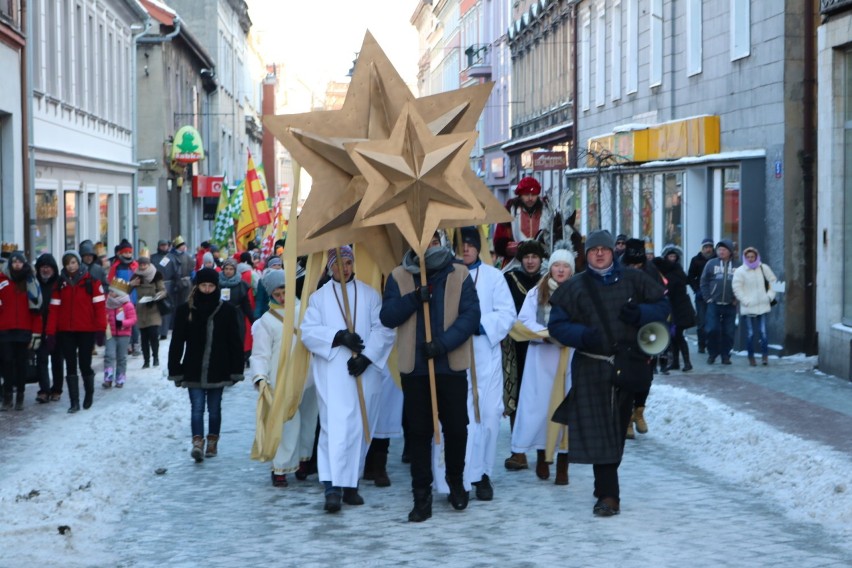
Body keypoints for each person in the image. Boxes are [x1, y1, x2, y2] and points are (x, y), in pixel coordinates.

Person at [548, 230, 669, 517]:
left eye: (604, 249)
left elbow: (663, 306)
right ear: (586, 254)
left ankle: (605, 482)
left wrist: (641, 314)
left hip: (627, 364)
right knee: (600, 427)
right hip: (591, 365)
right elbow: (557, 325)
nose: (599, 254)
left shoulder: (634, 279)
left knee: (616, 428)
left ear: (613, 252)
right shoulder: (574, 287)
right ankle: (608, 494)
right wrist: (580, 335)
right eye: (593, 250)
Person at [380, 233, 481, 522]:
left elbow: (471, 315)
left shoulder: (459, 272)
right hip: (416, 367)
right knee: (420, 432)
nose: (429, 246)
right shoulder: (399, 275)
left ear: (442, 242)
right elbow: (387, 316)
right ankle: (421, 496)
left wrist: (443, 343)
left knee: (457, 428)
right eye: (423, 241)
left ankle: (456, 483)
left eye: (434, 240)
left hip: (449, 364)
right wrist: (414, 298)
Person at [300, 246, 395, 513]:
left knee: (360, 426)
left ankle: (351, 483)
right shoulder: (319, 298)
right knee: (334, 426)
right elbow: (308, 332)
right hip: (333, 373)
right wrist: (338, 336)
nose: (344, 268)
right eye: (339, 263)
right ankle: (331, 486)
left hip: (364, 372)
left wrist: (367, 357)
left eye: (348, 263)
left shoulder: (369, 294)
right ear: (330, 267)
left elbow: (384, 330)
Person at [436, 227, 514, 501]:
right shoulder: (446, 276)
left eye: (471, 244)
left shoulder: (493, 277)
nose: (466, 249)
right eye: (461, 245)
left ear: (479, 247)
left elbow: (507, 314)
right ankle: (456, 478)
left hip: (485, 358)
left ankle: (482, 474)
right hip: (455, 358)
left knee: (489, 418)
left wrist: (479, 325)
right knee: (458, 421)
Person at [511, 247, 575, 485]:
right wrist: (545, 335)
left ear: (571, 270)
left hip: (567, 357)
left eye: (565, 266)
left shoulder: (578, 291)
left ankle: (562, 464)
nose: (560, 269)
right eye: (557, 265)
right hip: (541, 359)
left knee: (564, 409)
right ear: (550, 268)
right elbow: (523, 321)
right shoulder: (537, 292)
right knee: (539, 409)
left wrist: (568, 335)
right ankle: (541, 456)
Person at [249, 268, 318, 487]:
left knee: (309, 417)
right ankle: (281, 466)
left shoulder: (307, 311)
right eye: (277, 293)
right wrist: (260, 376)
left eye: (285, 291)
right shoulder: (266, 322)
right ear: (271, 294)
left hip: (309, 373)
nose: (282, 297)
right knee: (287, 420)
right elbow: (260, 353)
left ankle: (304, 459)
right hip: (281, 376)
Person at [167, 267, 245, 462]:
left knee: (214, 407)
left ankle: (212, 440)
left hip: (218, 367)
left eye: (211, 285)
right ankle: (197, 443)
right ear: (197, 286)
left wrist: (236, 369)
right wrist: (175, 369)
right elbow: (177, 341)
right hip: (193, 367)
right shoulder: (186, 310)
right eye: (204, 285)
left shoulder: (226, 310)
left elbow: (235, 341)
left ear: (216, 286)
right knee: (197, 408)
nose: (207, 289)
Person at [502, 239, 546, 471]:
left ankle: (543, 452)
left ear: (541, 259)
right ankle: (517, 452)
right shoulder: (509, 280)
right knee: (518, 395)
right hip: (516, 344)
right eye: (526, 257)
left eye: (534, 257)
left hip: (543, 345)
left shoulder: (550, 280)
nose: (530, 261)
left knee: (541, 396)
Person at [620, 238, 667, 439]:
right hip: (623, 333)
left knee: (645, 376)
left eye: (638, 265)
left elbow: (662, 303)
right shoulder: (616, 271)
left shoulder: (652, 273)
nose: (634, 268)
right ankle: (627, 418)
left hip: (647, 331)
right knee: (626, 377)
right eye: (631, 264)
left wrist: (641, 312)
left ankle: (639, 411)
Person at [53, 251, 107, 413]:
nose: (71, 266)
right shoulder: (59, 283)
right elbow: (54, 309)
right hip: (66, 331)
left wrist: (100, 329)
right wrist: (50, 332)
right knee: (70, 365)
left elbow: (99, 308)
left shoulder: (92, 282)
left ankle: (89, 393)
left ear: (79, 263)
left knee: (85, 364)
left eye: (74, 262)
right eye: (68, 263)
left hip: (86, 330)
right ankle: (74, 402)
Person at [0, 251, 42, 410]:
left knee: (21, 364)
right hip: (5, 329)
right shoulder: (1, 280)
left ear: (24, 264)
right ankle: (7, 397)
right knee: (6, 364)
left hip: (24, 329)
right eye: (14, 262)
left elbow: (37, 310)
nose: (17, 265)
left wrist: (36, 332)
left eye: (20, 262)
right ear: (10, 263)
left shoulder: (31, 281)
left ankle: (20, 397)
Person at [493, 176, 560, 263]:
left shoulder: (547, 211)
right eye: (526, 195)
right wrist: (518, 248)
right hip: (516, 261)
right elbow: (500, 241)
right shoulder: (510, 211)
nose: (530, 198)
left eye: (533, 195)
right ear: (520, 195)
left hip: (543, 261)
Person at [654, 245, 696, 372]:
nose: (672, 258)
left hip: (680, 307)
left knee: (678, 335)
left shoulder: (676, 272)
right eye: (670, 256)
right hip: (672, 308)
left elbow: (673, 288)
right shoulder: (665, 272)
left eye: (674, 256)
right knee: (673, 336)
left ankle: (687, 362)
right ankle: (676, 362)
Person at [732, 247, 777, 366]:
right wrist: (745, 301)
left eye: (753, 257)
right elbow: (737, 288)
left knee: (763, 332)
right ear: (745, 258)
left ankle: (765, 356)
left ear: (756, 257)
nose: (751, 259)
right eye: (748, 257)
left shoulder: (763, 268)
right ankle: (751, 357)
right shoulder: (740, 271)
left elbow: (773, 281)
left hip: (763, 305)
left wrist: (769, 296)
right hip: (749, 307)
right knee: (750, 334)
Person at [700, 240, 738, 365]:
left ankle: (725, 355)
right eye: (719, 249)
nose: (721, 252)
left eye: (724, 250)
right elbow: (704, 281)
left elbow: (743, 284)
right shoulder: (711, 264)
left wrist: (737, 298)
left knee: (729, 332)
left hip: (730, 304)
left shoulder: (738, 266)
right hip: (714, 303)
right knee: (712, 329)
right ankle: (712, 353)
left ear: (730, 252)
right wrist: (708, 297)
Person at [34, 253, 63, 402]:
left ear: (53, 269)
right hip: (40, 328)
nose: (45, 270)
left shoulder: (59, 284)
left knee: (57, 360)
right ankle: (44, 390)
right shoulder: (34, 284)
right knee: (41, 360)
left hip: (57, 330)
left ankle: (57, 389)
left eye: (48, 267)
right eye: (42, 267)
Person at [129, 256, 166, 368]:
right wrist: (132, 284)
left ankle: (155, 358)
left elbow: (163, 290)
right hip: (141, 309)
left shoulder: (156, 274)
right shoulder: (136, 276)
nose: (143, 267)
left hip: (154, 308)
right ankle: (146, 361)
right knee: (144, 337)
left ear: (149, 264)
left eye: (145, 264)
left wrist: (157, 296)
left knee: (153, 335)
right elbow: (126, 290)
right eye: (141, 265)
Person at [103, 278, 137, 388]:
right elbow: (104, 317)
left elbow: (133, 319)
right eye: (110, 291)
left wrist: (122, 323)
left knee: (121, 357)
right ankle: (108, 378)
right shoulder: (107, 304)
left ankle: (120, 378)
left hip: (124, 335)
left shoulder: (127, 305)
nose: (110, 293)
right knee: (109, 355)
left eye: (112, 291)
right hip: (110, 334)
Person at [219, 258, 255, 364]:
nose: (228, 271)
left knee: (237, 339)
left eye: (231, 269)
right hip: (221, 314)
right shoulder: (217, 283)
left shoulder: (241, 284)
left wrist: (253, 319)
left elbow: (246, 305)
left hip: (236, 315)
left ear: (235, 270)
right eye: (226, 268)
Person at [108, 239, 140, 356]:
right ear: (120, 253)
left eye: (129, 252)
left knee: (134, 322)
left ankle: (135, 344)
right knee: (122, 321)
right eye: (125, 252)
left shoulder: (135, 265)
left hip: (134, 298)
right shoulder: (116, 266)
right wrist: (128, 286)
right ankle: (125, 344)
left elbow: (141, 280)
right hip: (120, 298)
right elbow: (112, 283)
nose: (128, 255)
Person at [687, 238, 716, 354]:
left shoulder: (716, 260)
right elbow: (690, 277)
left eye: (710, 247)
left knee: (712, 321)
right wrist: (696, 289)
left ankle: (711, 344)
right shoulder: (696, 260)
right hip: (700, 295)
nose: (708, 249)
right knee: (702, 321)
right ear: (702, 248)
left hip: (714, 294)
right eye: (706, 247)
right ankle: (701, 344)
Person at [166, 236, 194, 333]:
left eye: (184, 245)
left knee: (185, 303)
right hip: (173, 283)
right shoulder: (169, 256)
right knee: (173, 304)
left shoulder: (187, 256)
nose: (183, 247)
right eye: (181, 245)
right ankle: (173, 323)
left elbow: (191, 269)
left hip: (185, 283)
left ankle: (184, 322)